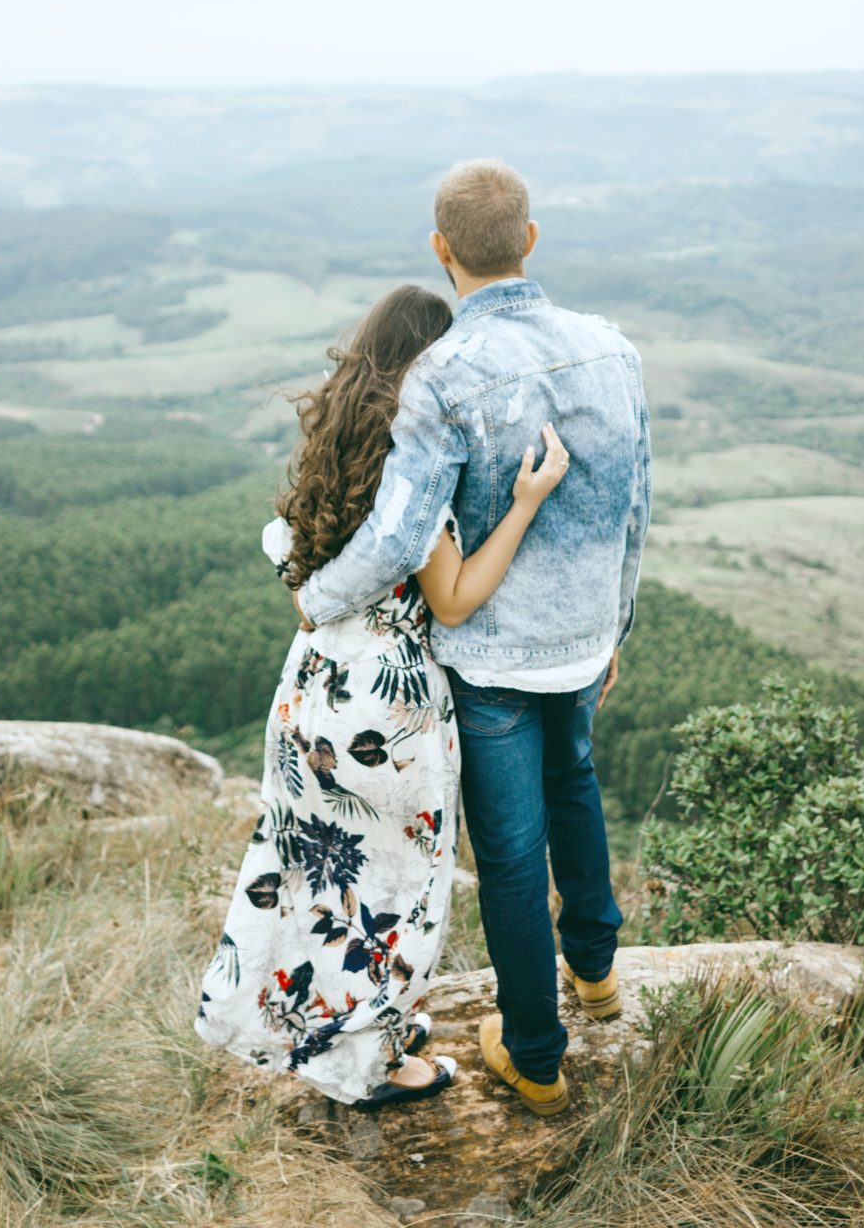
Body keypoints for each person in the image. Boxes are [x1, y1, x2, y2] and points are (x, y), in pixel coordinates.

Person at [295, 159, 651, 1117]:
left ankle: (535, 1055)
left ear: (441, 249)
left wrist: (317, 594)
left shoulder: (443, 375)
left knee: (509, 849)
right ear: (531, 239)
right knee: (576, 785)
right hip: (582, 638)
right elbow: (634, 508)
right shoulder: (613, 352)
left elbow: (403, 536)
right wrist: (616, 621)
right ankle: (599, 975)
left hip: (491, 658)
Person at [194, 284, 570, 1109]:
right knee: (394, 889)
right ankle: (373, 1065)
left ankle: (336, 1027)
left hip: (311, 690)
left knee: (316, 874)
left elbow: (291, 561)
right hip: (387, 716)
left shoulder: (335, 450)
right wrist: (525, 505)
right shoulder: (413, 478)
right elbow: (455, 599)